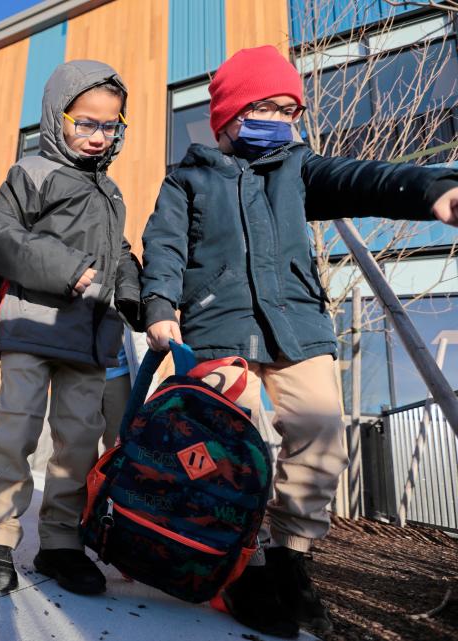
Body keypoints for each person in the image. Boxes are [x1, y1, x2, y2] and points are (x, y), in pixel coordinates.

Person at [140, 45, 458, 638]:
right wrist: (160, 308)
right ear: (231, 114)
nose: (281, 121)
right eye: (267, 107)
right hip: (216, 331)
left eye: (291, 110)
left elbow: (362, 177)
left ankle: (292, 560)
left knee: (321, 436)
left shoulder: (298, 169)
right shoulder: (188, 178)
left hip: (298, 329)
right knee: (227, 449)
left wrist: (432, 187)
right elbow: (162, 247)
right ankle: (244, 563)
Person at [0, 60, 142, 595]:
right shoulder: (32, 172)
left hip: (91, 338)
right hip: (33, 325)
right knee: (15, 429)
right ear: (55, 118)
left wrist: (132, 291)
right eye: (84, 122)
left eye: (110, 126)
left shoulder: (111, 194)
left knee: (77, 445)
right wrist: (68, 270)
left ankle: (60, 545)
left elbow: (121, 254)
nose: (97, 136)